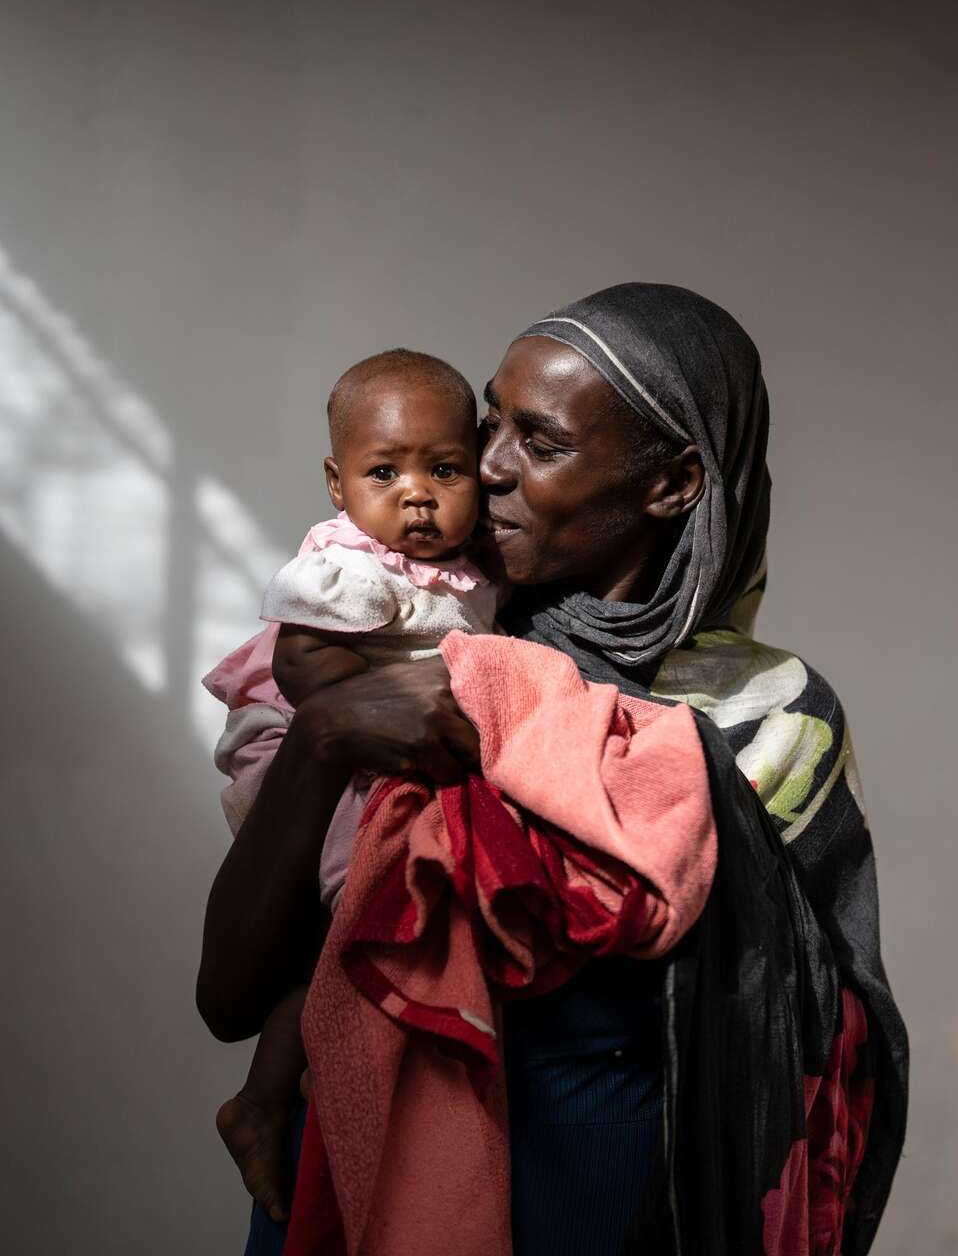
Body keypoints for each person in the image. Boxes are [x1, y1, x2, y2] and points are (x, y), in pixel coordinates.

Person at [198, 283, 908, 1255]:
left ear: (671, 483)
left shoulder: (771, 715)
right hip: (366, 1181)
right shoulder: (417, 641)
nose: (483, 467)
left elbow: (795, 1043)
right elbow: (228, 998)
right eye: (490, 421)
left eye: (538, 443)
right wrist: (327, 735)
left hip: (605, 1201)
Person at [203, 348, 497, 1224]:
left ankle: (258, 1101)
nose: (417, 494)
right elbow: (301, 666)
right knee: (350, 917)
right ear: (338, 484)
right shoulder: (351, 563)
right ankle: (264, 1100)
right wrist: (373, 722)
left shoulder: (469, 566)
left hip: (366, 756)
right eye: (385, 471)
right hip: (302, 749)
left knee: (343, 943)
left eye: (444, 470)